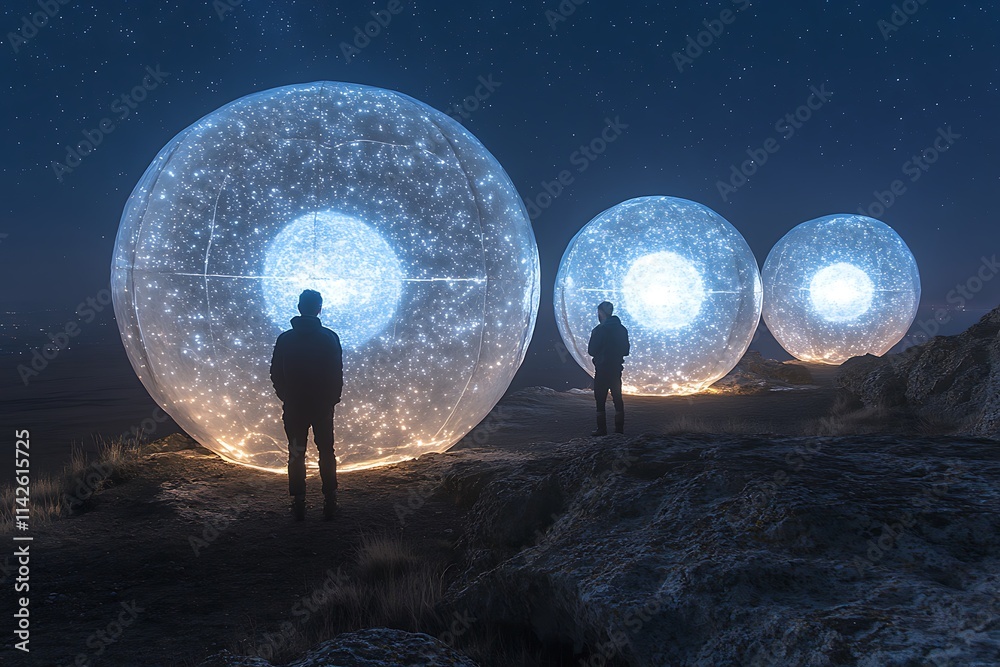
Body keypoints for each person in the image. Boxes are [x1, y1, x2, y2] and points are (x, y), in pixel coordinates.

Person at [270, 289, 343, 521]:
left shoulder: (285, 339)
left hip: (294, 405)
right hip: (322, 405)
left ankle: (298, 503)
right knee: (326, 451)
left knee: (295, 453)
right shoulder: (329, 337)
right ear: (319, 308)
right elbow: (336, 372)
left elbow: (275, 372)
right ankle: (330, 502)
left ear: (299, 307)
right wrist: (332, 398)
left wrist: (285, 395)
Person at [587, 301, 630, 436]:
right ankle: (619, 429)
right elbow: (626, 350)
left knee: (600, 399)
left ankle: (602, 429)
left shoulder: (599, 330)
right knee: (617, 397)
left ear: (601, 312)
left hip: (602, 367)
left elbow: (592, 350)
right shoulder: (622, 329)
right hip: (616, 368)